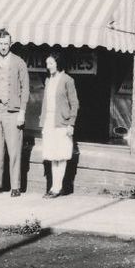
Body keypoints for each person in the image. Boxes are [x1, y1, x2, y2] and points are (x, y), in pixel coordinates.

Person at [0, 28, 29, 196]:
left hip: (13, 112)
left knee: (14, 149)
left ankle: (15, 186)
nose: (3, 46)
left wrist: (22, 111)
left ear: (11, 43)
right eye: (0, 44)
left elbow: (25, 89)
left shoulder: (19, 63)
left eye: (6, 44)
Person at [38, 52, 79, 197]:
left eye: (51, 63)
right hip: (49, 122)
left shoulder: (68, 80)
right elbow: (45, 103)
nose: (48, 67)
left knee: (61, 155)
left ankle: (57, 187)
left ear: (58, 63)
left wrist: (71, 124)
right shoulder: (48, 80)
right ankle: (54, 187)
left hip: (62, 122)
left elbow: (74, 103)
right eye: (47, 64)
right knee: (52, 155)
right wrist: (42, 122)